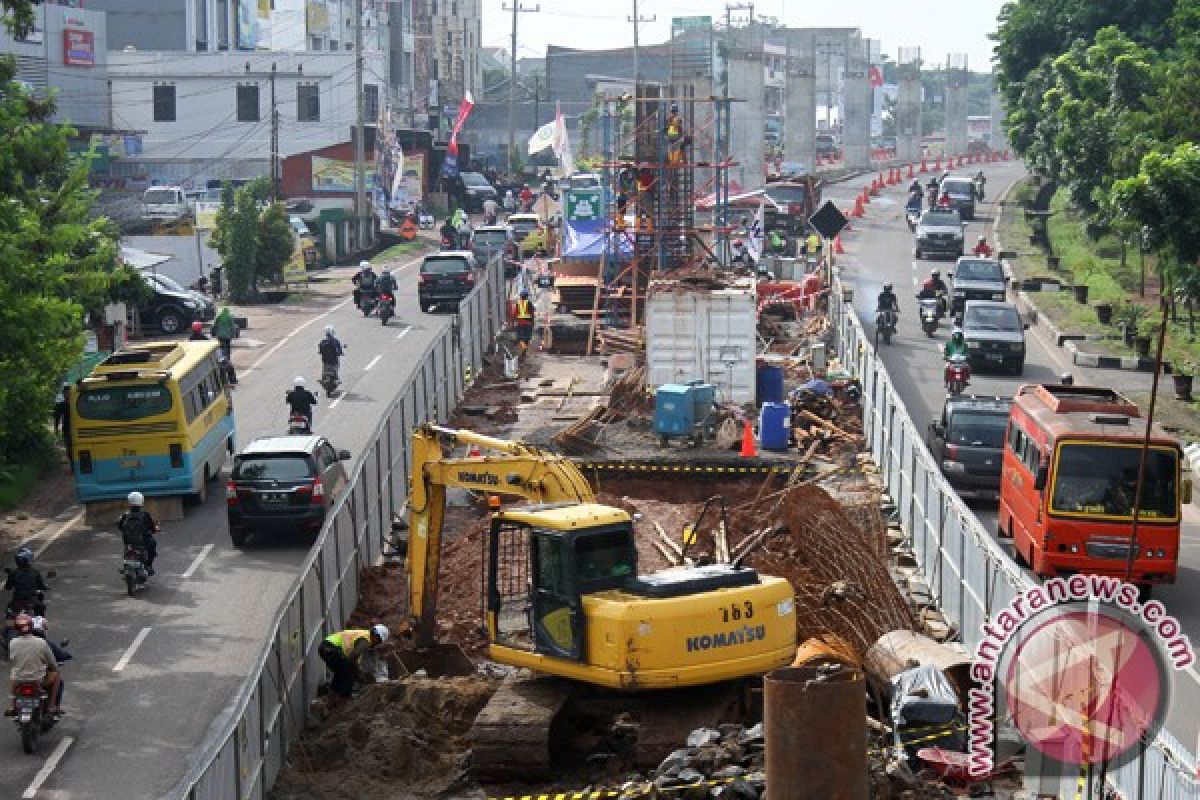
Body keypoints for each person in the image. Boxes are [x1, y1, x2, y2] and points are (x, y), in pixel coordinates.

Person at [317, 624, 390, 705]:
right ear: (377, 637)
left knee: (342, 672)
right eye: (379, 642)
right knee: (349, 671)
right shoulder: (366, 640)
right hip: (331, 648)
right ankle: (343, 700)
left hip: (326, 647)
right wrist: (358, 674)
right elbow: (353, 657)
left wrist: (358, 674)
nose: (376, 644)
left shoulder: (363, 635)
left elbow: (353, 657)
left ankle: (331, 700)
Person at [8, 613, 62, 717]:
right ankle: (51, 706)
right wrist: (53, 666)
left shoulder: (12, 642)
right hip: (37, 680)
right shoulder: (41, 642)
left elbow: (13, 660)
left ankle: (12, 707)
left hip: (18, 680)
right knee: (57, 674)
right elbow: (52, 663)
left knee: (13, 675)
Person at [118, 491, 159, 575]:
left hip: (128, 541)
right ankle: (148, 566)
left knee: (127, 549)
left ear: (129, 502)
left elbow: (120, 527)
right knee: (153, 544)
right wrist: (155, 529)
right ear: (141, 502)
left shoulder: (125, 515)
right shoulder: (145, 515)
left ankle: (126, 565)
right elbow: (152, 528)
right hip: (143, 541)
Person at [5, 548, 46, 615]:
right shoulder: (35, 572)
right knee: (41, 611)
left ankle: (9, 624)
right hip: (32, 601)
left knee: (9, 613)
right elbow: (41, 586)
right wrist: (44, 587)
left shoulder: (13, 573)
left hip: (17, 602)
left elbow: (8, 587)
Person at [53, 382, 71, 465]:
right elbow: (57, 417)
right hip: (67, 429)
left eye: (68, 392)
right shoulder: (62, 405)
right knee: (69, 448)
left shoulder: (78, 402)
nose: (67, 394)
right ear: (64, 394)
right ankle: (72, 464)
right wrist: (56, 429)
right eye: (65, 393)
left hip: (78, 429)